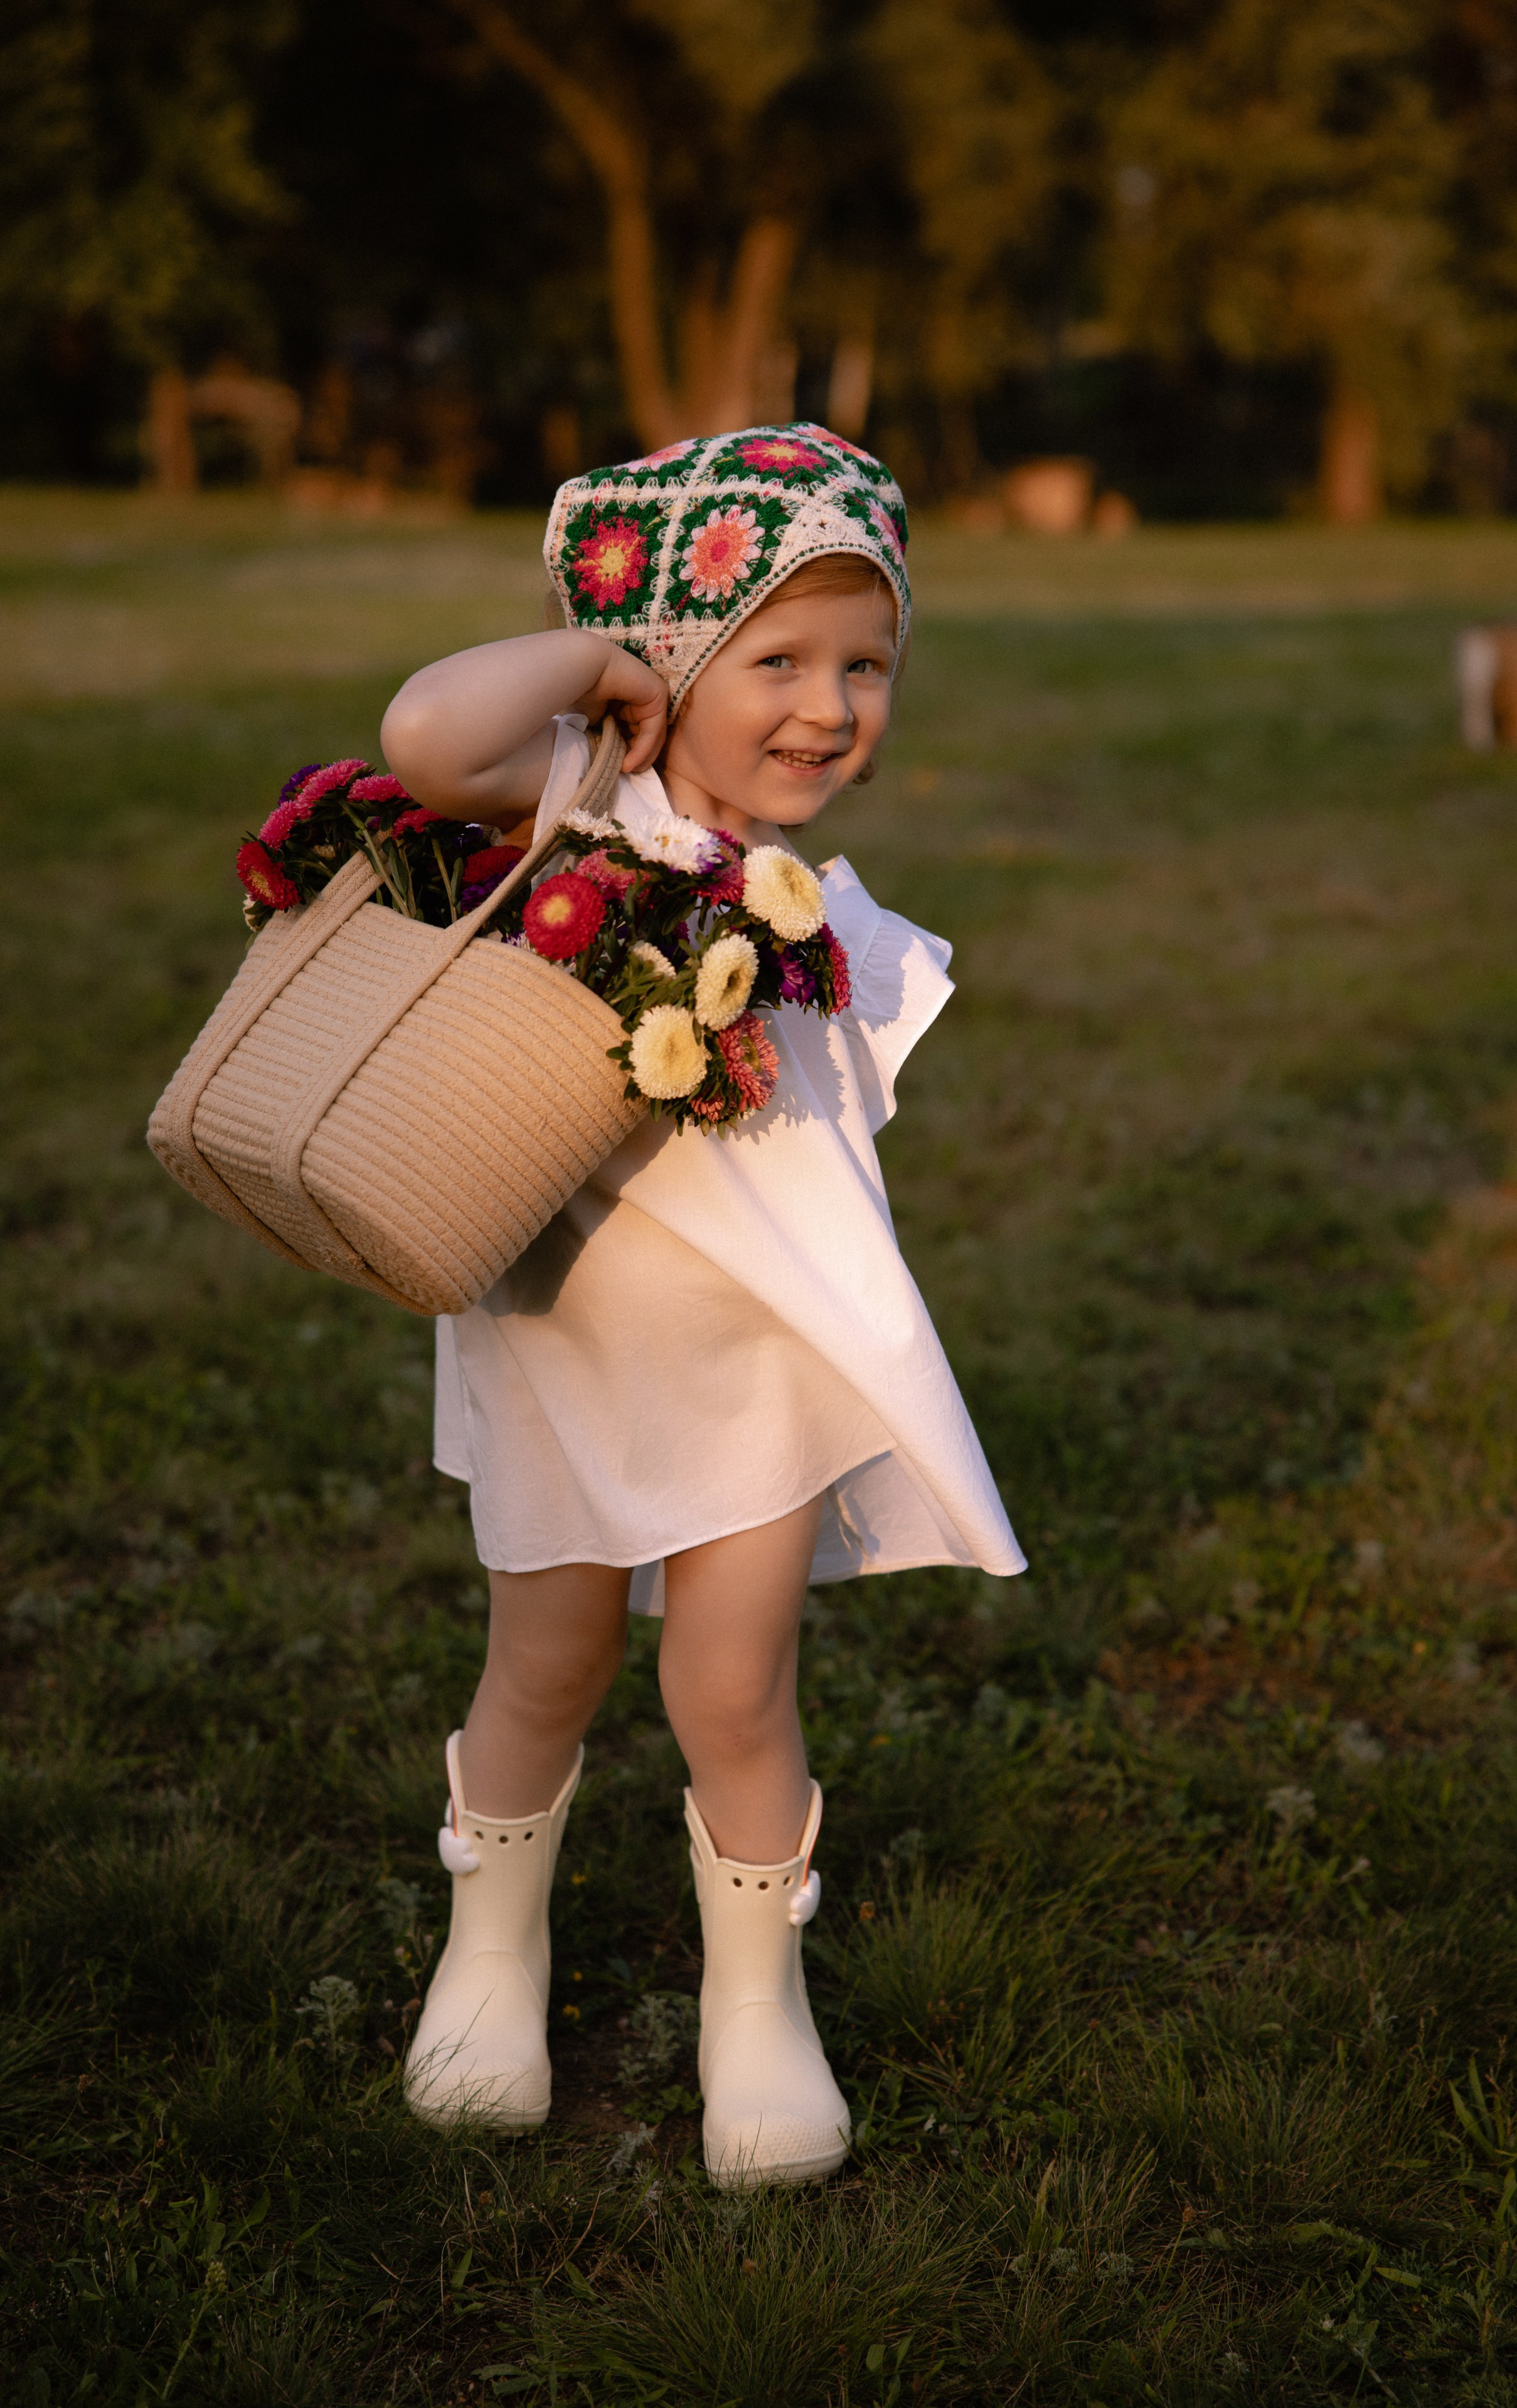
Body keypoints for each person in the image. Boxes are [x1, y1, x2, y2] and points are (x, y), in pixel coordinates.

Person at [378, 424, 1024, 2188]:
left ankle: (758, 2001)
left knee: (734, 1686)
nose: (829, 706)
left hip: (759, 1383)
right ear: (679, 658)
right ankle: (491, 1951)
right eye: (780, 657)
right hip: (566, 1343)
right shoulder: (585, 830)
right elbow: (424, 739)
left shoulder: (827, 915)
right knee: (550, 1662)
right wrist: (607, 671)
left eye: (868, 662)